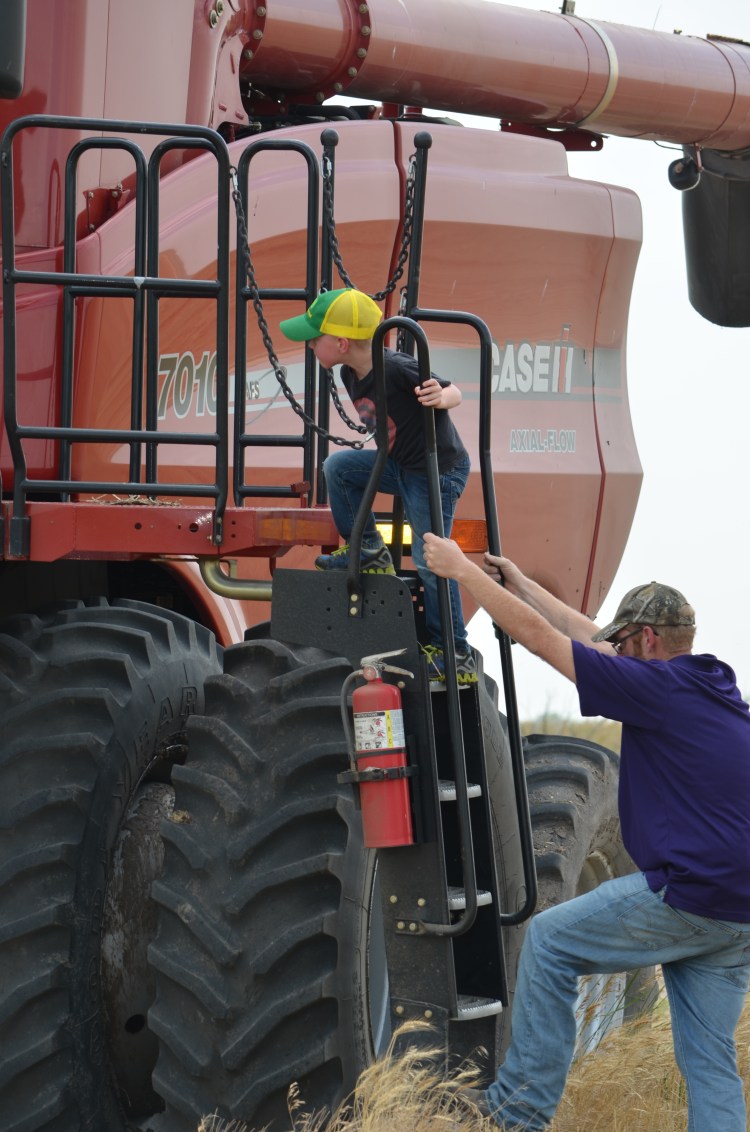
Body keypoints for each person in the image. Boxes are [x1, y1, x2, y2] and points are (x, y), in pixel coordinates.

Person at [422, 532, 750, 1132]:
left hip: (692, 896)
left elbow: (547, 644)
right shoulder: (714, 692)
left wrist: (460, 575)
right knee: (709, 1061)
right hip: (739, 915)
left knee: (548, 942)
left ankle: (518, 1114)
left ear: (648, 641)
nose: (614, 651)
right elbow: (589, 636)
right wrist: (521, 585)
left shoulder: (657, 690)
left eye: (624, 641)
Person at [279, 287, 477, 684]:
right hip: (400, 464)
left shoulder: (396, 368)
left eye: (314, 339)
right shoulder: (349, 371)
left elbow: (454, 391)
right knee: (339, 467)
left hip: (436, 471)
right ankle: (369, 550)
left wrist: (441, 396)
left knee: (430, 558)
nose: (309, 345)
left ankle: (455, 652)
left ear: (340, 342)